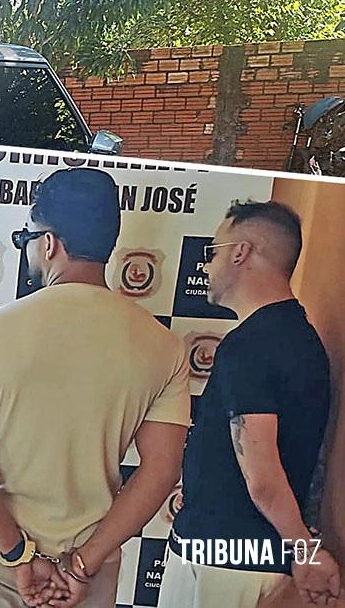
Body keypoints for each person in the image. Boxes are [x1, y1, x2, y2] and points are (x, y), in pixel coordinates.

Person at [0, 167, 191, 608]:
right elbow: (161, 471)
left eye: (28, 241)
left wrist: (18, 553)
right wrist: (83, 564)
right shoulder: (165, 348)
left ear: (49, 242)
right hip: (90, 562)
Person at [160, 200, 340, 608]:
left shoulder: (253, 345)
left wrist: (306, 552)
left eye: (214, 251)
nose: (206, 265)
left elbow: (262, 476)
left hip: (219, 566)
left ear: (241, 252)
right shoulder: (294, 335)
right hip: (240, 560)